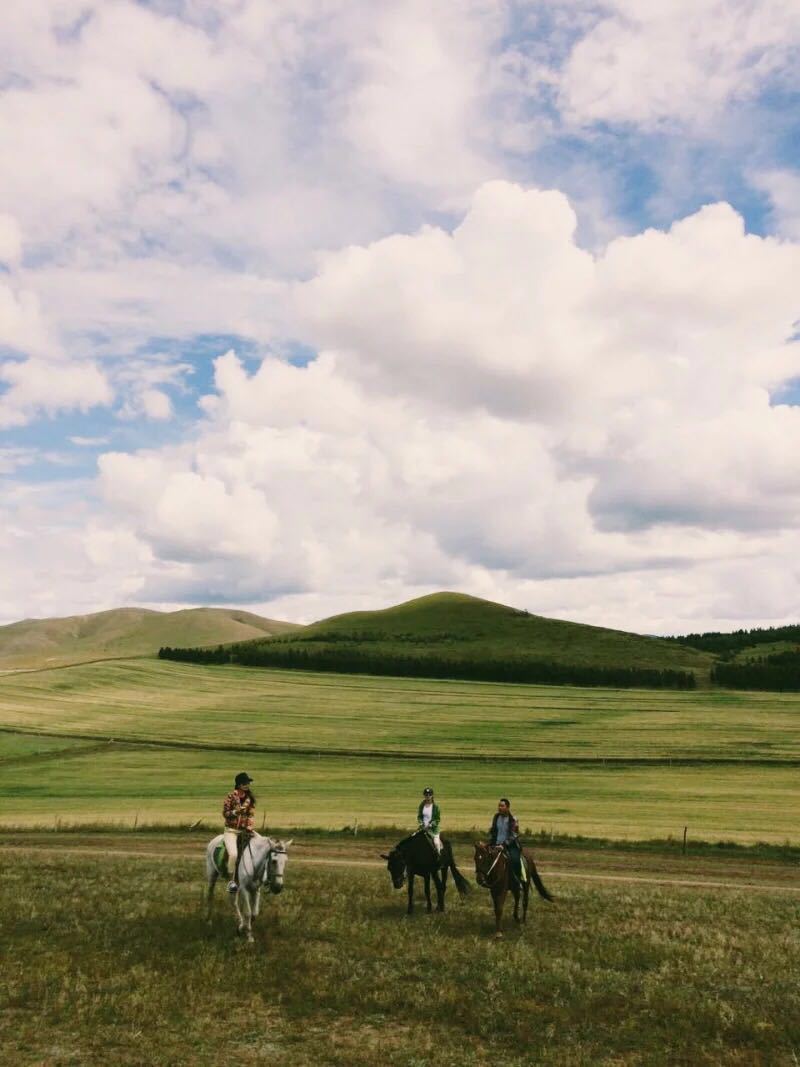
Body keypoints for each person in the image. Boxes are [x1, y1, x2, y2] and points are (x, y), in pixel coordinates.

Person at [222, 772, 256, 893]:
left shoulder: (249, 799)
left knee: (262, 845)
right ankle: (231, 881)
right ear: (239, 784)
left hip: (244, 830)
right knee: (234, 855)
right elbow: (225, 813)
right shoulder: (231, 797)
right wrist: (235, 813)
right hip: (231, 831)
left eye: (248, 783)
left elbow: (251, 815)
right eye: (245, 783)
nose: (247, 785)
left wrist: (249, 828)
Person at [488, 797, 523, 883]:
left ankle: (518, 880)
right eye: (499, 806)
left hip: (510, 846)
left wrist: (503, 845)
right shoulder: (496, 817)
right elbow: (494, 831)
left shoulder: (513, 819)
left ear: (507, 807)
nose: (499, 807)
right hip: (496, 844)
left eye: (502, 806)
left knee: (515, 859)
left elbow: (514, 835)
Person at [417, 786, 442, 856]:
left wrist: (430, 825)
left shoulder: (436, 807)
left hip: (433, 829)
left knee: (436, 843)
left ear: (432, 795)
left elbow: (437, 819)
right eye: (426, 795)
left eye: (429, 795)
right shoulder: (422, 805)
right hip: (422, 828)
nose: (427, 796)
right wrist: (421, 824)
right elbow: (419, 816)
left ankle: (438, 857)